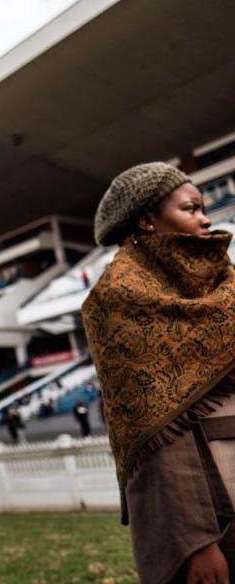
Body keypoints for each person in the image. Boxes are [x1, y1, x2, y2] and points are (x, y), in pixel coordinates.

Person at [82, 162, 235, 584]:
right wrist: (195, 541)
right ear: (147, 219)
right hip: (214, 504)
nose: (205, 218)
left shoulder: (227, 284)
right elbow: (152, 431)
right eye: (190, 208)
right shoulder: (118, 299)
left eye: (203, 208)